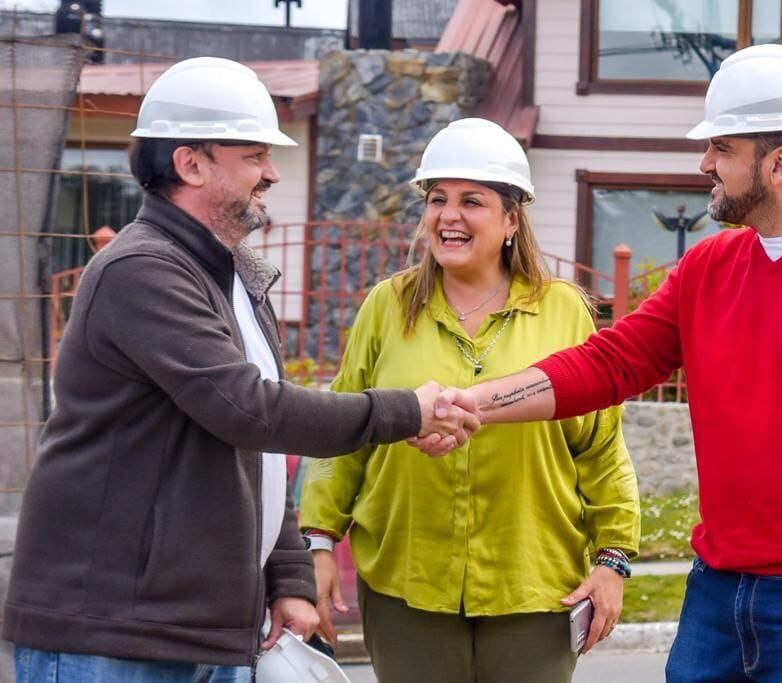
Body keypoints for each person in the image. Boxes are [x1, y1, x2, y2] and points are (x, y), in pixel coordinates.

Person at [421, 45, 782, 682]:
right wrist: (472, 402)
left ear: (778, 163)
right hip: (718, 595)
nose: (705, 163)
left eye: (722, 149)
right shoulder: (707, 269)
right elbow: (611, 363)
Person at [3, 57, 477, 682]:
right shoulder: (141, 269)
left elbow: (255, 448)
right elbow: (250, 409)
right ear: (190, 163)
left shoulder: (234, 276)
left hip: (202, 630)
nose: (272, 172)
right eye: (253, 155)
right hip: (113, 637)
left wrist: (285, 576)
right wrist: (406, 410)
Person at [299, 118, 640, 683]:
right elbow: (345, 431)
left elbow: (601, 450)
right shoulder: (387, 305)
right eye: (437, 200)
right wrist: (316, 545)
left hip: (534, 587)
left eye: (471, 201)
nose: (448, 216)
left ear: (511, 219)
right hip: (407, 583)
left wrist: (613, 560)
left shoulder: (564, 312)